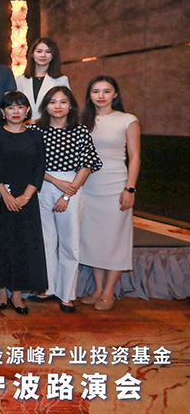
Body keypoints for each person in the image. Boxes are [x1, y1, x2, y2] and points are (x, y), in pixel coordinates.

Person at [29, 87, 101, 312]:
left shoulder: (80, 131)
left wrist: (67, 193)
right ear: (45, 106)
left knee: (70, 242)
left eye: (62, 101)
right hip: (41, 184)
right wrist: (54, 182)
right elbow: (29, 164)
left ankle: (67, 294)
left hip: (72, 186)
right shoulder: (35, 130)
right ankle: (47, 287)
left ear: (71, 106)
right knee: (45, 240)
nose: (57, 106)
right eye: (52, 102)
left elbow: (87, 165)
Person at [78, 76, 140, 311]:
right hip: (88, 186)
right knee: (93, 239)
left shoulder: (127, 120)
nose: (101, 95)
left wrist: (130, 188)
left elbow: (135, 157)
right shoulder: (83, 121)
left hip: (116, 185)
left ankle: (109, 291)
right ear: (89, 95)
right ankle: (97, 289)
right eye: (96, 91)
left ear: (115, 94)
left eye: (106, 91)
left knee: (115, 239)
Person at [0, 91, 47, 316]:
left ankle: (17, 294)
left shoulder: (35, 136)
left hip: (27, 198)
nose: (16, 111)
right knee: (1, 244)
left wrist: (26, 197)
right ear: (2, 111)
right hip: (0, 197)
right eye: (10, 107)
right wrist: (6, 195)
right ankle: (1, 292)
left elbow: (39, 167)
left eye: (20, 107)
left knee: (23, 245)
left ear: (27, 110)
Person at [15, 37, 70, 119]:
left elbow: (65, 106)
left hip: (50, 123)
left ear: (53, 55)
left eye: (48, 52)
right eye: (39, 51)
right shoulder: (21, 80)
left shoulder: (62, 80)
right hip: (26, 124)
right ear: (32, 54)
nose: (43, 55)